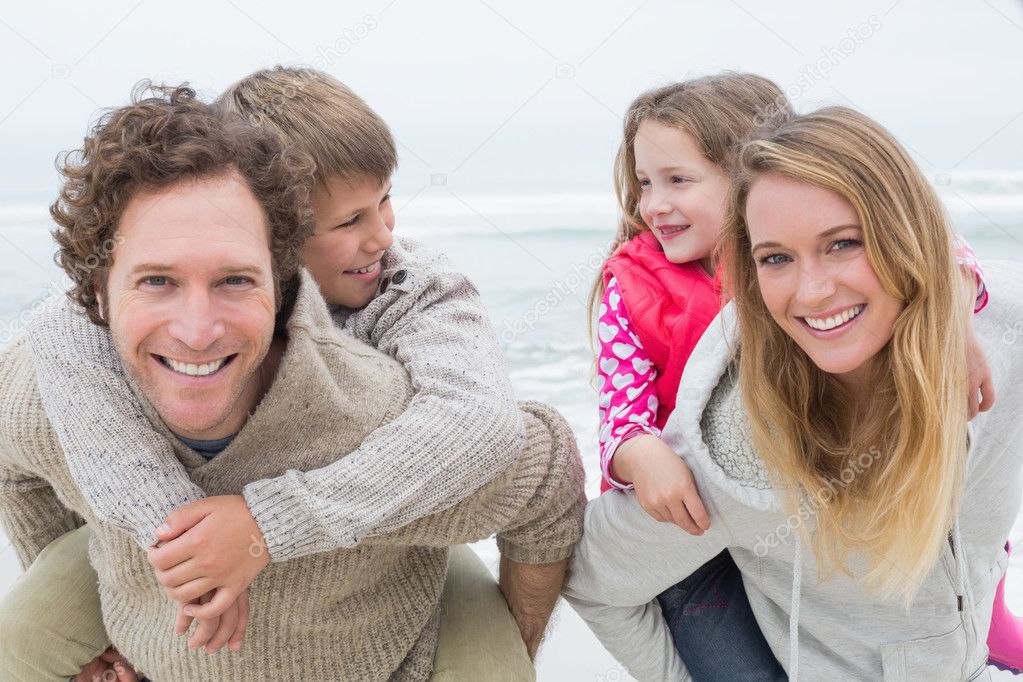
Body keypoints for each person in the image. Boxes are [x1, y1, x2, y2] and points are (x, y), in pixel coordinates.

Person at [0, 85, 584, 681]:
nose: (383, 234)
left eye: (384, 202)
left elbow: (484, 425)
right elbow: (61, 322)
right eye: (349, 219)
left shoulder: (413, 289)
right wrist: (176, 546)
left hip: (406, 502)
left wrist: (264, 526)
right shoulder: (84, 335)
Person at [565, 105, 1023, 680]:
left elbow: (934, 234)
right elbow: (595, 573)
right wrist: (633, 447)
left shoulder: (1002, 325)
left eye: (843, 244)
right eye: (776, 258)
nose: (811, 291)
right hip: (684, 524)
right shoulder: (732, 452)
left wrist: (953, 309)